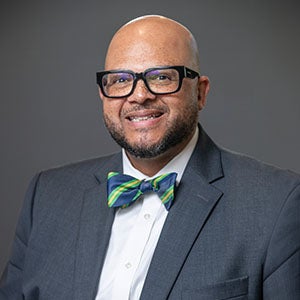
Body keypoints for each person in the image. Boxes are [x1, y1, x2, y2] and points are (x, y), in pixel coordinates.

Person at [0, 15, 299, 300]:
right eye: (120, 80)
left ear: (200, 93)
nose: (139, 95)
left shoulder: (277, 204)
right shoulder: (47, 197)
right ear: (103, 95)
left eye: (162, 77)